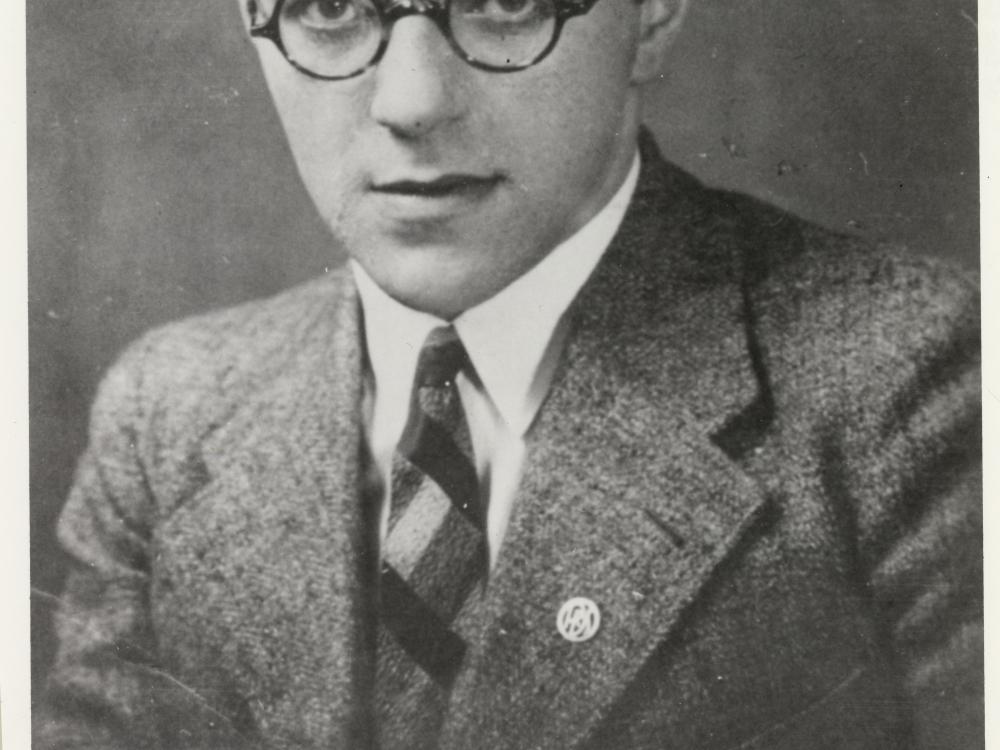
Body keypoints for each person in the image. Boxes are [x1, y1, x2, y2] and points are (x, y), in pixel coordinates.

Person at [36, 0, 981, 748]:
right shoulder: (165, 410)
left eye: (504, 2)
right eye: (329, 6)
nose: (411, 100)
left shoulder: (920, 379)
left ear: (652, 15)